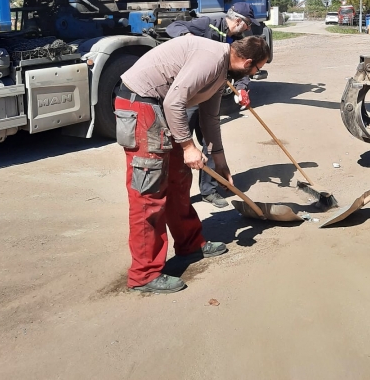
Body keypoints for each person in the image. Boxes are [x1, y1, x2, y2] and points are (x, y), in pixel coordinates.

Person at [115, 35, 271, 294]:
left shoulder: (221, 70)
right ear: (247, 63)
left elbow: (210, 117)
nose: (255, 74)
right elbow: (174, 102)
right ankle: (144, 274)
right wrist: (188, 146)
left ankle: (190, 244)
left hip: (162, 108)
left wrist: (220, 162)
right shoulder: (211, 59)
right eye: (257, 69)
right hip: (142, 105)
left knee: (179, 180)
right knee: (149, 193)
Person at [166, 2, 257, 208]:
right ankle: (176, 195)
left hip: (211, 95)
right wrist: (188, 38)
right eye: (248, 24)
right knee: (182, 144)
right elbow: (174, 27)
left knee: (211, 143)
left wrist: (242, 88)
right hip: (191, 95)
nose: (249, 28)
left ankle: (209, 190)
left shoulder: (238, 41)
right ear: (238, 21)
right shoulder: (208, 23)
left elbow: (243, 69)